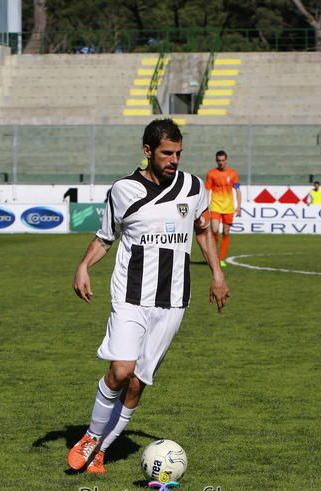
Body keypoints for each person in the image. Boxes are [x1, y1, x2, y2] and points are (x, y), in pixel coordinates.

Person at [68, 119, 230, 473]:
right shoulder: (124, 190)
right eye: (167, 153)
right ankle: (92, 436)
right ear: (148, 151)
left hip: (173, 301)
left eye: (178, 153)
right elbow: (105, 238)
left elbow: (203, 232)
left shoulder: (193, 187)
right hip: (130, 296)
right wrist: (83, 266)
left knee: (138, 382)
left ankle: (100, 452)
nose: (174, 160)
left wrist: (217, 274)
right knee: (120, 371)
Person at [205, 150, 241, 268]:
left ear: (226, 160)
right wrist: (204, 206)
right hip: (215, 205)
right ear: (216, 161)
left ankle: (221, 258)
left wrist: (239, 206)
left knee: (226, 232)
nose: (221, 163)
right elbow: (207, 190)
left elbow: (237, 190)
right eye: (219, 161)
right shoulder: (211, 174)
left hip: (228, 207)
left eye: (223, 160)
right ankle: (214, 256)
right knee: (215, 230)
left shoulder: (233, 173)